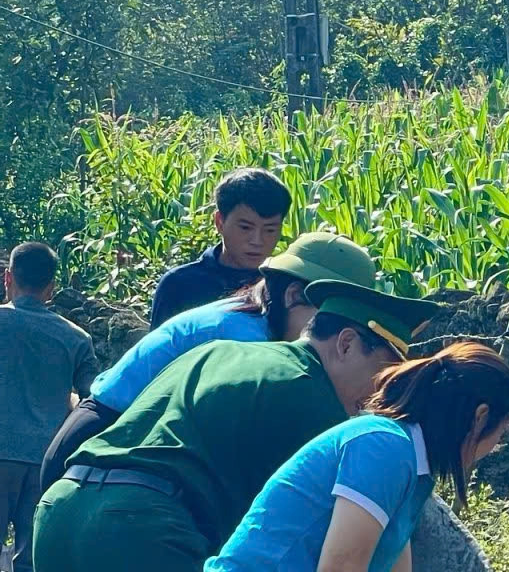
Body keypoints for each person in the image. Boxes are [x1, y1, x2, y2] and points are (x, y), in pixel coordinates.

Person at [31, 279, 442, 572]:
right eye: (385, 372)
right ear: (347, 344)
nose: (382, 392)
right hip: (142, 530)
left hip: (60, 511)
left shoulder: (220, 350)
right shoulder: (316, 401)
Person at [39, 231, 378, 491]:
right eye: (332, 318)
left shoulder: (255, 321)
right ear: (292, 296)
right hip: (100, 452)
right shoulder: (243, 341)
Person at [207, 341, 509, 572]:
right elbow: (340, 568)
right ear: (480, 417)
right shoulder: (385, 447)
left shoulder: (412, 467)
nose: (494, 446)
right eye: (500, 432)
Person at [0, 244, 97, 572]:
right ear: (51, 289)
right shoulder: (77, 338)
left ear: (8, 277)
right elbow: (93, 399)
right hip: (47, 461)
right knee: (31, 561)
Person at [149, 168, 292, 329]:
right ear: (219, 222)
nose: (257, 241)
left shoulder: (285, 285)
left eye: (270, 230)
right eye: (245, 228)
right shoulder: (180, 285)